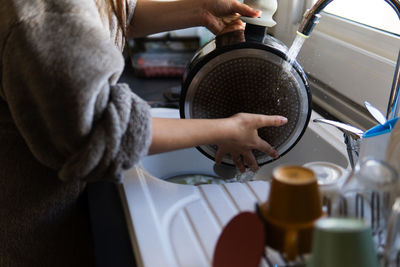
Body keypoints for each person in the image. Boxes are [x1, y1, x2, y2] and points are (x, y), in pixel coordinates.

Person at [0, 0, 287, 266]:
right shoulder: (44, 7)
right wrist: (225, 129)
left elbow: (117, 14)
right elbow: (97, 127)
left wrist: (201, 8)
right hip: (29, 228)